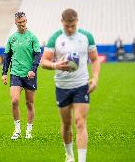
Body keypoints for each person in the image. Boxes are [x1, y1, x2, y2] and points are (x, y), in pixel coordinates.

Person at [40, 8, 100, 162]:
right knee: (66, 125)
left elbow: (94, 59)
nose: (70, 29)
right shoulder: (55, 38)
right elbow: (43, 62)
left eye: (73, 25)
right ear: (62, 22)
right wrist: (56, 65)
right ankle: (69, 155)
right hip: (62, 87)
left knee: (80, 122)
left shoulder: (86, 37)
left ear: (77, 21)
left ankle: (81, 160)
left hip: (81, 85)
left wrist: (95, 77)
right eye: (67, 26)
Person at [2, 11, 41, 140]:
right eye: (20, 22)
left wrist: (33, 69)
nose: (22, 24)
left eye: (24, 21)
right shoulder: (12, 38)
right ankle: (17, 129)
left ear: (26, 20)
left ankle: (28, 131)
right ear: (15, 23)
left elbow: (37, 55)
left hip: (29, 75)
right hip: (15, 74)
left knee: (29, 103)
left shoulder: (33, 37)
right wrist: (4, 73)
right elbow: (7, 57)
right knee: (14, 101)